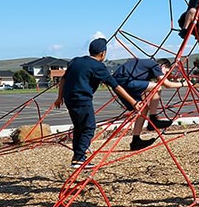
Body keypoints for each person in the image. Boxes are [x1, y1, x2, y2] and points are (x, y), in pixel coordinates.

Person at [53, 38, 138, 168]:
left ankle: (79, 156)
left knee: (79, 127)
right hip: (82, 99)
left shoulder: (76, 61)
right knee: (89, 128)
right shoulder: (98, 66)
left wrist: (59, 97)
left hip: (69, 99)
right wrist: (133, 102)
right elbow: (116, 86)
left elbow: (63, 80)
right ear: (103, 53)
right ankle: (78, 158)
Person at [112, 57, 186, 151]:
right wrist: (183, 84)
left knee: (143, 109)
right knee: (157, 87)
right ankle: (153, 119)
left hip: (118, 83)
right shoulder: (155, 65)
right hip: (125, 80)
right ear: (162, 66)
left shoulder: (144, 68)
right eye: (166, 72)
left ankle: (136, 141)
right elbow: (167, 84)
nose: (165, 75)